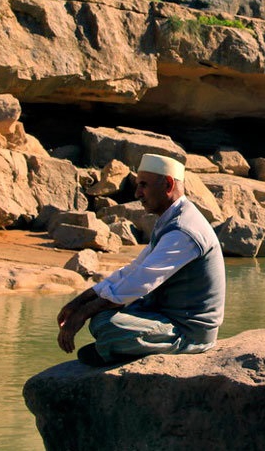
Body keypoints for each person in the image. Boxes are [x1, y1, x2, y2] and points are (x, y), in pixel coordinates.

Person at [57, 153, 226, 367]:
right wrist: (79, 302)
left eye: (143, 185)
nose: (137, 193)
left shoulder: (184, 230)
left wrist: (84, 313)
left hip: (189, 333)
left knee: (108, 324)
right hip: (164, 315)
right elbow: (133, 271)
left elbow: (141, 282)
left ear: (167, 184)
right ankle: (117, 348)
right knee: (102, 319)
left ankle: (120, 347)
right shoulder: (171, 219)